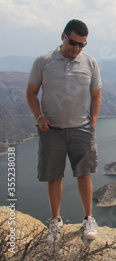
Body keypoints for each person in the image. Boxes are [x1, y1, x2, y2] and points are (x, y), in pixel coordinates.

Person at [26, 19, 102, 241]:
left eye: (82, 44)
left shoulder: (90, 63)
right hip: (52, 131)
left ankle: (88, 219)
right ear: (63, 36)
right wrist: (39, 118)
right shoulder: (43, 61)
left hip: (82, 129)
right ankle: (55, 222)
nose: (76, 48)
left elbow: (96, 96)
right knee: (54, 177)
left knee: (84, 174)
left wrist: (93, 123)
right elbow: (31, 93)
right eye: (73, 42)